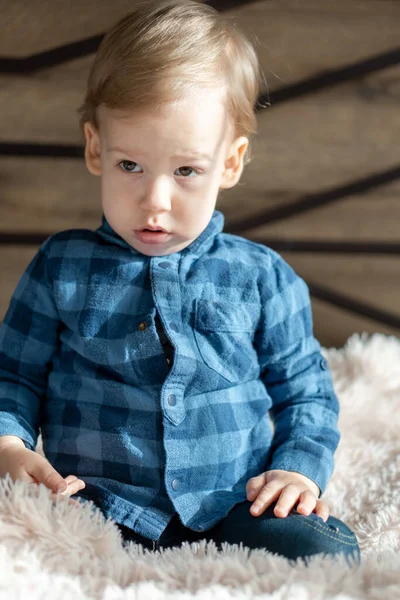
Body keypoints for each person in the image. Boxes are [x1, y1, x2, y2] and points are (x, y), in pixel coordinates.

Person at [0, 0, 360, 565]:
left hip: (232, 502)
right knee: (21, 541)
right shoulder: (61, 265)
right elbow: (12, 374)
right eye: (130, 166)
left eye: (186, 171)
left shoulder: (263, 277)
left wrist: (296, 469)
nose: (155, 201)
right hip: (95, 504)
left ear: (231, 164)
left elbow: (306, 391)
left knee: (322, 548)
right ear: (96, 147)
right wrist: (8, 445)